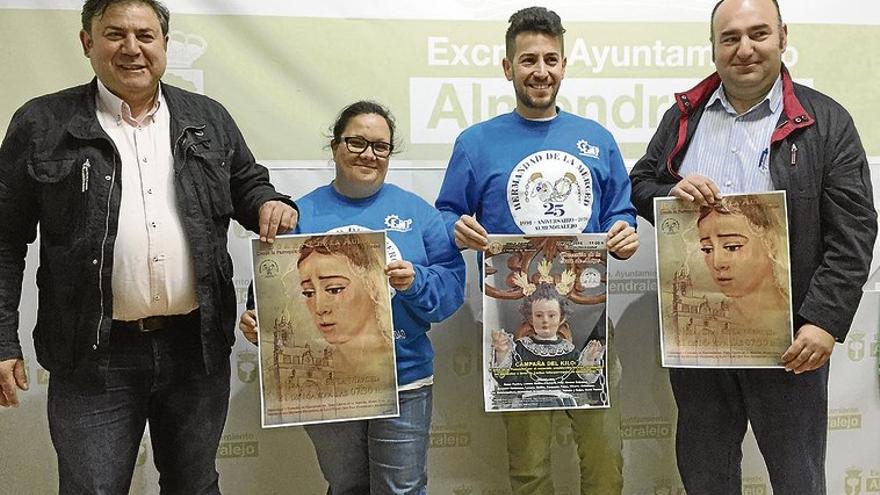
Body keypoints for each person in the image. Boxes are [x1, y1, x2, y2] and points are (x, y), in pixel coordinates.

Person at [0, 0, 297, 492]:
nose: (132, 48)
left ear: (164, 44)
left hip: (195, 349)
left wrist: (270, 204)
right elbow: (5, 238)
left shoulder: (208, 118)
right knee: (92, 488)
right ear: (87, 43)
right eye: (115, 34)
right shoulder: (42, 123)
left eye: (145, 35)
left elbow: (248, 185)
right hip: (92, 354)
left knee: (194, 485)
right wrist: (2, 339)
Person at [629, 0, 877, 492]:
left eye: (758, 34)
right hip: (701, 340)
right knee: (704, 473)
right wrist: (669, 192)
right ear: (715, 47)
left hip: (790, 340)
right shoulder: (684, 116)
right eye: (730, 38)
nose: (744, 48)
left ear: (783, 36)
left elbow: (853, 231)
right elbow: (641, 185)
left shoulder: (825, 121)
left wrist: (824, 321)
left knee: (797, 476)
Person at [434, 7, 639, 494]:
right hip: (512, 323)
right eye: (528, 60)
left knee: (605, 454)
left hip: (588, 320)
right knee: (528, 466)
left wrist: (623, 232)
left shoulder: (597, 139)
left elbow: (620, 213)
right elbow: (444, 217)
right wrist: (457, 229)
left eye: (551, 59)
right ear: (508, 68)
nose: (540, 71)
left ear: (564, 65)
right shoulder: (474, 143)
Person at [239, 100, 465, 494]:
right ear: (335, 146)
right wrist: (258, 322)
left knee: (402, 488)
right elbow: (269, 293)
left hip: (404, 379)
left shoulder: (419, 214)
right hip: (325, 382)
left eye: (380, 146)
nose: (368, 154)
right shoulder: (300, 214)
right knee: (345, 487)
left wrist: (416, 282)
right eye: (356, 142)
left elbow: (450, 293)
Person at [295, 233, 395, 386]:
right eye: (309, 293)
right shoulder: (314, 373)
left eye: (335, 289)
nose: (320, 308)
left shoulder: (393, 364)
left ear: (372, 285)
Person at [490, 283, 605, 407]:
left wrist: (587, 361)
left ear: (561, 318)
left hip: (562, 408)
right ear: (530, 318)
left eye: (551, 315)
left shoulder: (570, 352)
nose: (545, 320)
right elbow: (507, 380)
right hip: (528, 408)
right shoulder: (520, 349)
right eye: (539, 315)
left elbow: (580, 383)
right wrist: (502, 352)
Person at [697, 196, 789, 331]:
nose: (717, 263)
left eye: (732, 247)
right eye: (707, 249)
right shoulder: (713, 323)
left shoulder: (796, 314)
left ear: (770, 242)